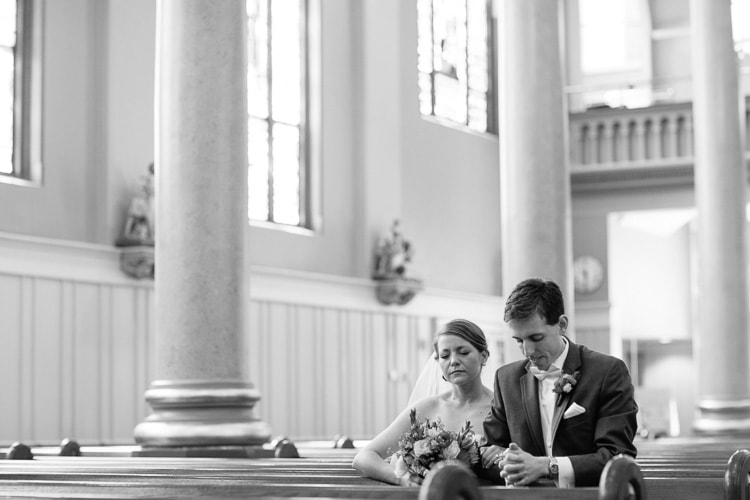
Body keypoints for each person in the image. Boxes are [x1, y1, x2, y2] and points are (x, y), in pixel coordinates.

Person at [480, 278, 638, 488]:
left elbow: (617, 456)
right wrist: (504, 460)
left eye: (536, 338)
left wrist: (549, 466)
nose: (528, 351)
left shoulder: (608, 372)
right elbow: (490, 453)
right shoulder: (506, 378)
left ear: (562, 325)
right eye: (518, 340)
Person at [352, 319, 494, 486]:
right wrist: (403, 478)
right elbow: (364, 457)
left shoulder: (501, 407)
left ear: (483, 356)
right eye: (445, 355)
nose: (453, 361)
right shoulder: (426, 408)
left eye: (463, 352)